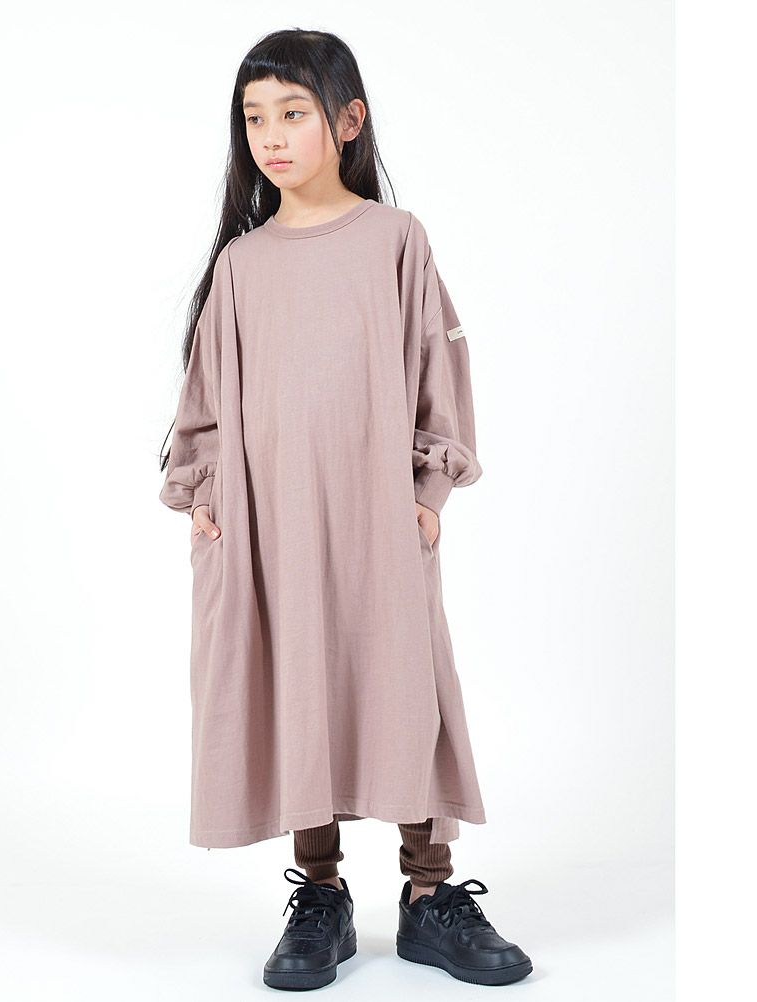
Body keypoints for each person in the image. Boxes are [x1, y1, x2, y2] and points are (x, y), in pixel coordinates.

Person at [158, 28, 532, 991]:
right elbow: (206, 398)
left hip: (377, 517)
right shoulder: (242, 266)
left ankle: (429, 894)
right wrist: (204, 496)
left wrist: (428, 495)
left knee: (403, 685)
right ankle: (320, 895)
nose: (271, 136)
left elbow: (436, 370)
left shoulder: (395, 241)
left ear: (348, 120)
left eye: (293, 113)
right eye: (254, 118)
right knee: (300, 682)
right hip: (269, 521)